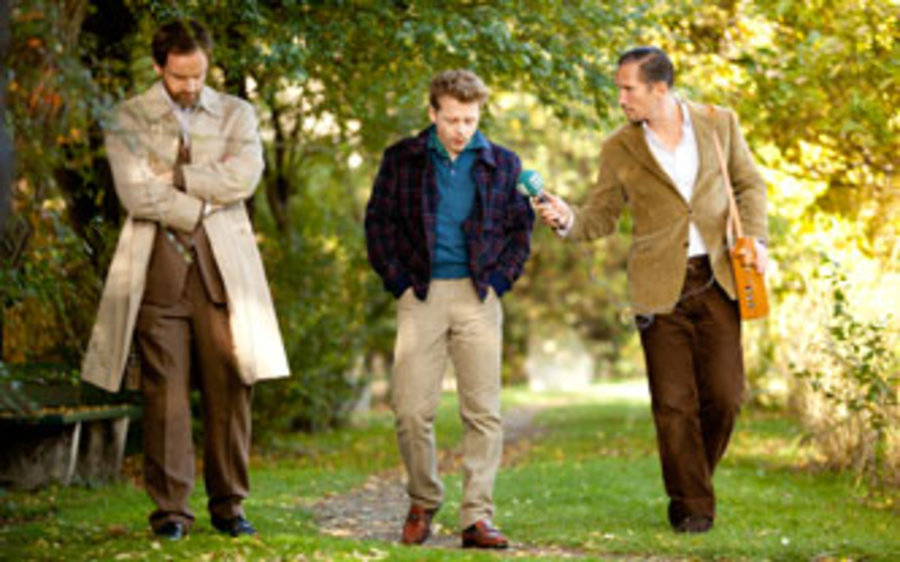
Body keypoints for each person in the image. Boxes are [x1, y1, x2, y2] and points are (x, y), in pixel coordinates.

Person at [535, 47, 768, 533]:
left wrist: (756, 240)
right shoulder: (619, 147)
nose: (621, 98)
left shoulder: (718, 123)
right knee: (672, 403)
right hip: (658, 287)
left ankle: (692, 480)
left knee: (725, 396)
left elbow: (749, 185)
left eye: (629, 88)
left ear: (659, 88)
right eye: (619, 89)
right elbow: (600, 216)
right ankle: (691, 506)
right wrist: (567, 218)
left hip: (719, 276)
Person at [81, 19, 290, 540]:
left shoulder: (237, 113)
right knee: (165, 399)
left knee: (232, 389)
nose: (191, 85)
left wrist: (175, 177)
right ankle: (171, 513)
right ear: (159, 67)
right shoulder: (128, 117)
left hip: (225, 273)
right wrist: (203, 203)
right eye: (179, 76)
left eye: (198, 75)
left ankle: (229, 505)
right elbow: (135, 194)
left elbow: (244, 177)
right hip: (156, 272)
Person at [365, 69, 534, 549]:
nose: (461, 129)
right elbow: (378, 223)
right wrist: (398, 281)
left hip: (478, 297)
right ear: (433, 113)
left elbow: (521, 231)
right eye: (452, 119)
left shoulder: (503, 164)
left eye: (470, 120)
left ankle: (477, 517)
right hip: (421, 294)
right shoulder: (403, 159)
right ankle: (423, 500)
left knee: (483, 412)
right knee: (410, 411)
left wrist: (499, 282)